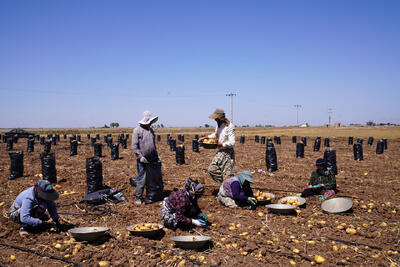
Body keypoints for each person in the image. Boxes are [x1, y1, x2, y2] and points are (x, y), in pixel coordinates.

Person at [130, 110, 160, 205]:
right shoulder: (137, 130)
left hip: (152, 158)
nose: (151, 123)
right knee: (142, 179)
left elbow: (153, 145)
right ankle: (138, 197)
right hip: (143, 159)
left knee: (153, 178)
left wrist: (156, 156)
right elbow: (134, 146)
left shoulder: (151, 130)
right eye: (150, 121)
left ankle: (151, 195)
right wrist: (140, 156)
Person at [199, 108, 235, 183]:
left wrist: (221, 144)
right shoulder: (218, 125)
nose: (215, 119)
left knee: (227, 175)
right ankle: (225, 184)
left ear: (220, 117)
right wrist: (206, 137)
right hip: (220, 152)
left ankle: (227, 186)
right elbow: (215, 135)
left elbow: (232, 143)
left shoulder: (229, 126)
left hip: (228, 153)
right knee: (212, 169)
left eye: (216, 118)